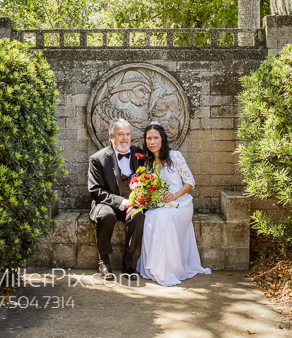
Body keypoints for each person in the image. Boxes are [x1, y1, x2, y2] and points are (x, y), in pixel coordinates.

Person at [135, 122, 211, 286]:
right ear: (145, 141)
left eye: (156, 138)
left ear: (162, 139)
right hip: (161, 203)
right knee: (149, 216)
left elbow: (191, 181)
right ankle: (154, 268)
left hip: (181, 203)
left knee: (163, 217)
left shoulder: (175, 156)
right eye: (149, 138)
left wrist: (175, 195)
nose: (152, 141)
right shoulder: (147, 162)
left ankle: (168, 270)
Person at [88, 118, 145, 277]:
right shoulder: (98, 159)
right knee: (105, 217)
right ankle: (104, 261)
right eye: (120, 134)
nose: (125, 138)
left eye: (127, 134)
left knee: (138, 216)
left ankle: (128, 261)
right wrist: (121, 202)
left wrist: (138, 199)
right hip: (107, 203)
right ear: (111, 137)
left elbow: (145, 179)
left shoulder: (138, 154)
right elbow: (95, 190)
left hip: (132, 203)